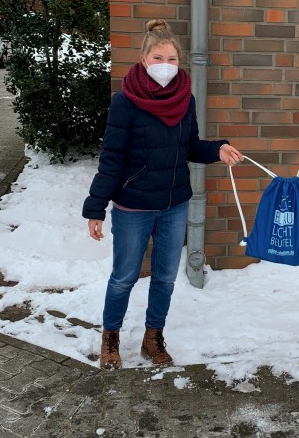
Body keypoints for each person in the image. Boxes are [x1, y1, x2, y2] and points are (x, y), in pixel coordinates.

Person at [83, 19, 243, 370]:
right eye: (159, 58)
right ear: (143, 59)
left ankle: (152, 336)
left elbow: (190, 146)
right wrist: (96, 207)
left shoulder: (185, 100)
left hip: (173, 205)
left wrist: (217, 150)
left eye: (172, 59)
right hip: (133, 207)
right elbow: (111, 158)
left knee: (166, 277)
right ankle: (110, 338)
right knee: (124, 277)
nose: (166, 66)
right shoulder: (125, 102)